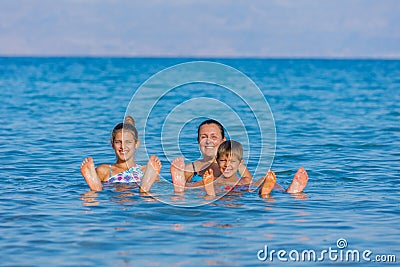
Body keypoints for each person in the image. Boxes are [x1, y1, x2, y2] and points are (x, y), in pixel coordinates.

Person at [80, 116, 161, 193]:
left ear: (136, 144)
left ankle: (144, 188)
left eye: (128, 142)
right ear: (112, 144)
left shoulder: (147, 170)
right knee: (92, 194)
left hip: (135, 187)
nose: (123, 147)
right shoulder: (105, 170)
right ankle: (96, 188)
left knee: (148, 195)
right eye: (118, 142)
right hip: (126, 195)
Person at [201, 140, 308, 197]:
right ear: (217, 161)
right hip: (237, 191)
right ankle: (269, 193)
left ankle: (288, 190)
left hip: (240, 189)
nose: (227, 165)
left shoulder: (244, 180)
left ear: (240, 164)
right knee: (259, 188)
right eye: (223, 161)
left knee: (262, 180)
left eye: (232, 161)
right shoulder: (213, 180)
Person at [170, 119, 252, 193]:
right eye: (203, 137)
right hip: (199, 194)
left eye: (213, 137)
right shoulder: (191, 169)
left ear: (223, 140)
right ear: (198, 141)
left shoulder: (235, 164)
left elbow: (249, 183)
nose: (208, 141)